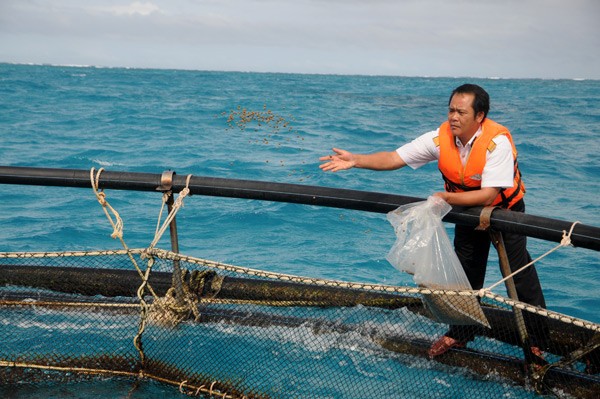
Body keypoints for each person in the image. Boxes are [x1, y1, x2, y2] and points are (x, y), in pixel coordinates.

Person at [319, 83, 547, 360]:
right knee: (464, 271)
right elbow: (394, 157)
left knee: (517, 272)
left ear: (480, 116)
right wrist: (357, 160)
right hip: (465, 211)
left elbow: (488, 194)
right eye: (451, 110)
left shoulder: (496, 142)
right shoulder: (439, 138)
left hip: (504, 211)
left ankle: (536, 340)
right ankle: (460, 332)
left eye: (461, 112)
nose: (453, 117)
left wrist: (445, 198)